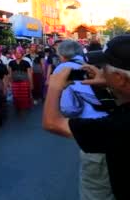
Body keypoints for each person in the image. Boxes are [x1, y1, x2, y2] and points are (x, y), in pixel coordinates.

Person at [42, 34, 130, 200]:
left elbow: (52, 123)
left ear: (120, 78)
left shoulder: (116, 126)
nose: (100, 71)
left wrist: (54, 87)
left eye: (104, 67)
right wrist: (110, 83)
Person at [54, 40, 115, 200]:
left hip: (93, 133)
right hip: (116, 121)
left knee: (95, 189)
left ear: (62, 55)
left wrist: (55, 88)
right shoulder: (90, 64)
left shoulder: (64, 69)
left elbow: (68, 108)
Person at [8, 47, 33, 113]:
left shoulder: (26, 63)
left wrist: (31, 83)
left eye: (19, 53)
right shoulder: (11, 63)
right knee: (16, 96)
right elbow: (9, 74)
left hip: (24, 83)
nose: (17, 54)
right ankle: (17, 107)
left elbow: (29, 74)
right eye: (16, 53)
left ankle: (24, 108)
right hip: (15, 83)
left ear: (22, 54)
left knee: (24, 96)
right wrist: (9, 82)